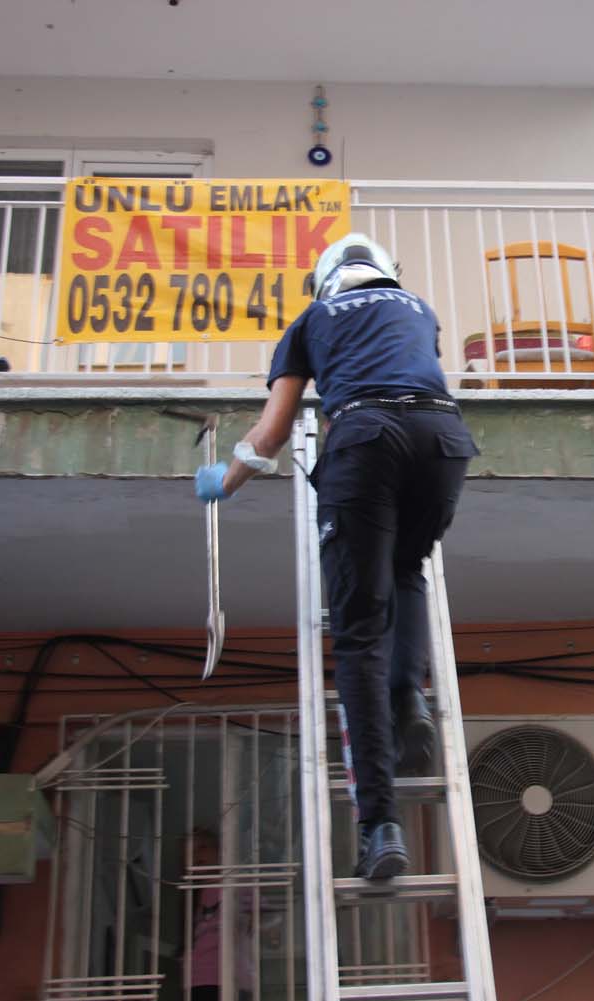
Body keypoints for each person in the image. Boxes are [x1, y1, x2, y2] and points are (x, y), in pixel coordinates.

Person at [194, 233, 478, 880]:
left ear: (325, 281)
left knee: (356, 636)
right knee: (408, 568)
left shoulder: (310, 320)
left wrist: (224, 482)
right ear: (381, 272)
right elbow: (410, 375)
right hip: (444, 441)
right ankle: (409, 698)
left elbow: (273, 431)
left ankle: (380, 826)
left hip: (365, 439)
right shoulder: (417, 308)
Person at [187, 829, 255, 1001]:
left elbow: (267, 920)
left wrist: (249, 921)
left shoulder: (238, 883)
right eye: (191, 851)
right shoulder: (192, 894)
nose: (197, 855)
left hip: (231, 979)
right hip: (199, 981)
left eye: (202, 847)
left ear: (219, 851)